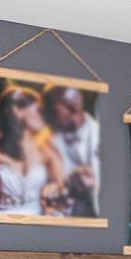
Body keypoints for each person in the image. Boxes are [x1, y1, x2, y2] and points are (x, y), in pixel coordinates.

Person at [0, 85, 65, 217]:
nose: (44, 116)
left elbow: (63, 192)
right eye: (39, 110)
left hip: (36, 226)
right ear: (17, 110)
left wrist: (54, 190)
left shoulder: (47, 150)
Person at [45, 87, 100, 217]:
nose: (47, 115)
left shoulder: (104, 135)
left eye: (51, 109)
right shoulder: (51, 143)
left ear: (72, 108)